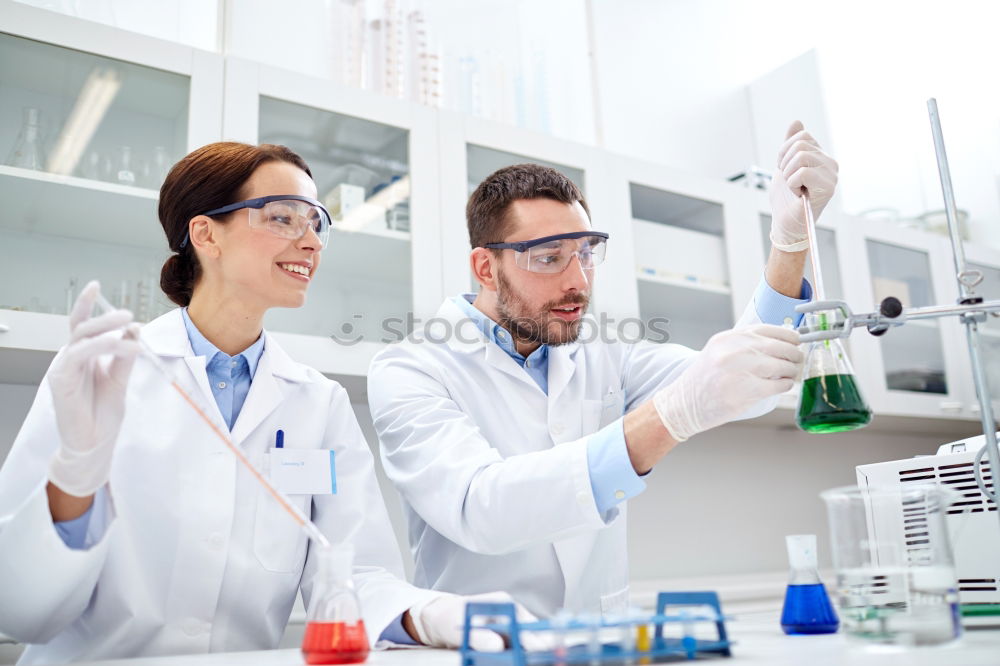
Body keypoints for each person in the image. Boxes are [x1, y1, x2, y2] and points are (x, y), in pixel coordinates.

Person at [0, 142, 531, 663]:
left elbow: (351, 572)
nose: (312, 242)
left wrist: (429, 614)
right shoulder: (99, 373)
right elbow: (19, 609)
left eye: (317, 223)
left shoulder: (319, 404)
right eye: (283, 218)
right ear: (206, 233)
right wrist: (75, 477)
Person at [367, 122, 837, 617]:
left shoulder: (606, 352)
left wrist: (788, 245)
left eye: (586, 255)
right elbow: (480, 509)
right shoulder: (410, 369)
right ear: (486, 268)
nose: (578, 282)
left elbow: (744, 381)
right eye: (549, 258)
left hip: (600, 640)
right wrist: (667, 418)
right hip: (484, 646)